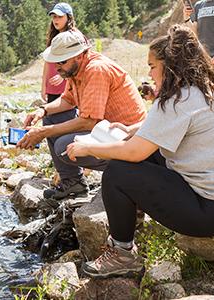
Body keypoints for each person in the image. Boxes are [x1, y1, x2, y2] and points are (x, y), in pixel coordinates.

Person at [65, 25, 214, 279]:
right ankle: (132, 217)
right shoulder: (210, 91)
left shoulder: (175, 100)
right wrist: (136, 128)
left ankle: (122, 254)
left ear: (170, 66)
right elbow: (179, 125)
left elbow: (133, 153)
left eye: (153, 66)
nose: (149, 73)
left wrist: (88, 147)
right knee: (151, 153)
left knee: (117, 173)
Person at [17, 30, 147, 200]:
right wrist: (43, 110)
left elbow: (89, 122)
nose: (57, 67)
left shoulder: (96, 70)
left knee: (64, 146)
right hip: (105, 131)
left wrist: (43, 132)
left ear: (79, 55)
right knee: (50, 118)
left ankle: (124, 172)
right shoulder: (74, 70)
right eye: (55, 62)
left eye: (62, 61)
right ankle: (73, 184)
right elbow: (68, 101)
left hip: (128, 138)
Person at [41, 2, 76, 104]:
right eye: (54, 17)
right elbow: (47, 62)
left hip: (68, 88)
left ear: (69, 18)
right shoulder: (53, 38)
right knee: (51, 119)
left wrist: (63, 76)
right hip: (52, 88)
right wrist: (44, 86)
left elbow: (77, 63)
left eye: (60, 17)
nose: (56, 20)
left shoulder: (73, 37)